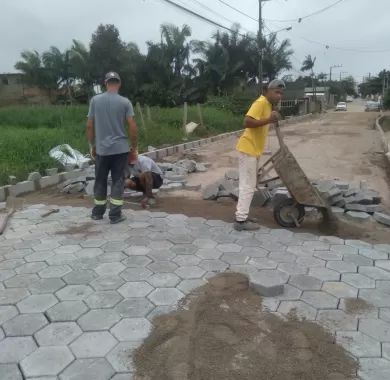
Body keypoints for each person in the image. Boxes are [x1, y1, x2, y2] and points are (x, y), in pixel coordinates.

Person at [86, 71, 138, 224]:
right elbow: (133, 126)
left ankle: (97, 213)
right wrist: (133, 147)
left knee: (100, 180)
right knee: (117, 181)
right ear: (119, 84)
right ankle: (115, 215)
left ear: (106, 83)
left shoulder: (95, 101)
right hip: (120, 150)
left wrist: (92, 145)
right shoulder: (125, 102)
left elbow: (89, 125)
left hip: (102, 149)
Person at [234, 79, 285, 231]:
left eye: (281, 93)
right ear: (267, 91)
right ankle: (240, 221)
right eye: (276, 92)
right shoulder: (261, 102)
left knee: (249, 184)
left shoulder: (268, 105)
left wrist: (272, 117)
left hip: (253, 150)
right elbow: (247, 122)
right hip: (248, 148)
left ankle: (242, 214)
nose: (279, 96)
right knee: (248, 186)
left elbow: (265, 121)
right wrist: (269, 119)